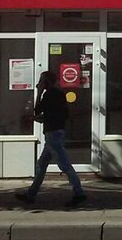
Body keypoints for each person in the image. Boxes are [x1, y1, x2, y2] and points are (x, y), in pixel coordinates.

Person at [16, 71, 86, 206]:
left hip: (52, 135)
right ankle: (30, 195)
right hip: (57, 132)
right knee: (41, 164)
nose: (39, 83)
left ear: (46, 82)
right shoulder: (60, 94)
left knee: (64, 165)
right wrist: (42, 119)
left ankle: (79, 193)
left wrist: (39, 93)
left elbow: (38, 109)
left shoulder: (49, 94)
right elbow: (58, 114)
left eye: (41, 81)